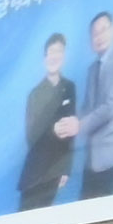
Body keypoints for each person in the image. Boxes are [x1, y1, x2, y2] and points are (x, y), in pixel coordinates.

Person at [22, 29, 80, 209]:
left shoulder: (69, 87)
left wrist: (66, 169)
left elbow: (71, 132)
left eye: (59, 51)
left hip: (57, 171)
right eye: (51, 52)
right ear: (44, 58)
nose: (54, 56)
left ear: (64, 56)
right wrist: (52, 130)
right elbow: (31, 136)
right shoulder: (35, 94)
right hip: (36, 172)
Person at [82, 8, 113, 201]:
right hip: (91, 156)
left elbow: (110, 108)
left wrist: (79, 125)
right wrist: (69, 124)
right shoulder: (92, 69)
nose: (99, 36)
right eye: (95, 33)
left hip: (111, 153)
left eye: (104, 29)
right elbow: (87, 108)